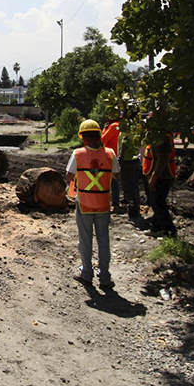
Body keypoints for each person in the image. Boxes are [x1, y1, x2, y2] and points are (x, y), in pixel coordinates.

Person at [66, 119, 120, 289]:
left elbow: (69, 175)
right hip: (103, 203)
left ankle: (86, 274)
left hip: (84, 203)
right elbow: (117, 175)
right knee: (103, 239)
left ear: (83, 137)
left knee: (85, 239)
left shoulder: (78, 154)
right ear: (99, 136)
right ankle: (104, 276)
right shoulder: (110, 154)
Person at [142, 119, 177, 238]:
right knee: (156, 202)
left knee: (158, 202)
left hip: (163, 176)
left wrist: (154, 176)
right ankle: (156, 227)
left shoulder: (162, 137)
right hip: (159, 175)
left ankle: (169, 230)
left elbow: (163, 158)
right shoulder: (156, 136)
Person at [116, 109, 145, 225]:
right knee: (131, 187)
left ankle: (134, 213)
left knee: (129, 187)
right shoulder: (133, 128)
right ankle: (134, 210)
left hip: (128, 161)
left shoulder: (129, 129)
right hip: (130, 161)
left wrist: (120, 160)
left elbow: (125, 145)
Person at [101, 113, 122, 213]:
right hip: (113, 155)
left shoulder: (114, 126)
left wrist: (104, 130)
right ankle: (115, 202)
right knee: (114, 180)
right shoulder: (118, 125)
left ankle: (115, 203)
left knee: (113, 180)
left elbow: (102, 140)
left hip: (110, 156)